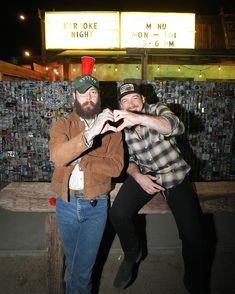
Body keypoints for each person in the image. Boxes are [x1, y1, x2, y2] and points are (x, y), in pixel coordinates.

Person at [110, 82, 209, 294]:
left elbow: (174, 125)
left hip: (174, 174)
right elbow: (126, 160)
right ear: (120, 104)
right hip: (146, 174)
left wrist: (139, 118)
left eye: (135, 98)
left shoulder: (156, 110)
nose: (131, 104)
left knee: (194, 236)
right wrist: (138, 176)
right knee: (117, 213)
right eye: (125, 101)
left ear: (143, 100)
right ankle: (132, 253)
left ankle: (194, 281)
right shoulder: (120, 127)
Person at [49, 56, 124, 294]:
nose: (89, 98)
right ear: (74, 97)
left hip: (96, 206)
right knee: (73, 267)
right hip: (66, 204)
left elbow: (116, 167)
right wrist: (90, 133)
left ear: (99, 96)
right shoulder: (62, 125)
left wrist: (84, 160)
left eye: (93, 92)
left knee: (81, 274)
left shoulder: (112, 128)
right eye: (83, 93)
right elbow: (59, 157)